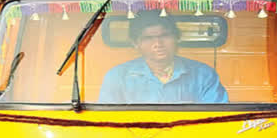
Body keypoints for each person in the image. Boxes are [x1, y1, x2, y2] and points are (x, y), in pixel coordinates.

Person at [98, 12, 228, 103]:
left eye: (165, 36)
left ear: (177, 37)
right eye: (148, 38)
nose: (158, 44)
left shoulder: (204, 74)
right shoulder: (117, 76)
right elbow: (106, 120)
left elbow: (217, 117)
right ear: (135, 43)